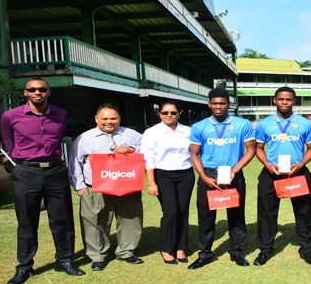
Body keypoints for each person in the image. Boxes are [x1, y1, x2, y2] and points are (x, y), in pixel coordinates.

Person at [1, 78, 85, 284]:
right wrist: (23, 159)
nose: (37, 92)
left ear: (48, 92)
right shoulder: (11, 116)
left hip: (56, 171)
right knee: (27, 222)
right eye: (32, 89)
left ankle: (64, 261)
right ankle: (24, 267)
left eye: (42, 89)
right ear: (25, 93)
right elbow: (9, 142)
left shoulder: (60, 114)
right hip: (27, 172)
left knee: (62, 219)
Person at [69, 104, 144, 271]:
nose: (109, 122)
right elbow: (75, 162)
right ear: (97, 119)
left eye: (113, 118)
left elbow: (149, 150)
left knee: (130, 219)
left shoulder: (131, 134)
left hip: (127, 186)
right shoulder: (85, 138)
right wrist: (80, 187)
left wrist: (131, 149)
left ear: (119, 119)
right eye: (105, 119)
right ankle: (98, 256)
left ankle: (126, 251)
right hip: (95, 188)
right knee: (95, 222)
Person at [187, 88, 256, 270]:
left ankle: (236, 252)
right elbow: (194, 154)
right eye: (215, 103)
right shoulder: (199, 126)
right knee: (206, 216)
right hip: (208, 174)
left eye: (222, 103)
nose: (218, 107)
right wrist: (203, 177)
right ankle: (205, 254)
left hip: (233, 173)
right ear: (209, 104)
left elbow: (251, 150)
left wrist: (235, 170)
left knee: (236, 214)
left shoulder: (243, 124)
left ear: (229, 105)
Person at [253, 87, 311, 266]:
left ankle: (306, 249)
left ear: (294, 101)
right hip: (271, 173)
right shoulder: (264, 124)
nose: (284, 102)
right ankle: (265, 250)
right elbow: (258, 148)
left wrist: (302, 164)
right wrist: (267, 164)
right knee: (266, 213)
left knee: (304, 212)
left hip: (297, 172)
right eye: (281, 99)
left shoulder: (305, 123)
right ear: (274, 100)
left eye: (288, 99)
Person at [142, 101, 194, 265]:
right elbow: (148, 157)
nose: (169, 115)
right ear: (160, 114)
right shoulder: (152, 132)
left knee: (183, 211)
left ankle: (180, 247)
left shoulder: (188, 131)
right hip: (163, 175)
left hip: (186, 174)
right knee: (171, 211)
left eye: (173, 112)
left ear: (179, 113)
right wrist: (151, 182)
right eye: (165, 113)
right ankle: (166, 247)